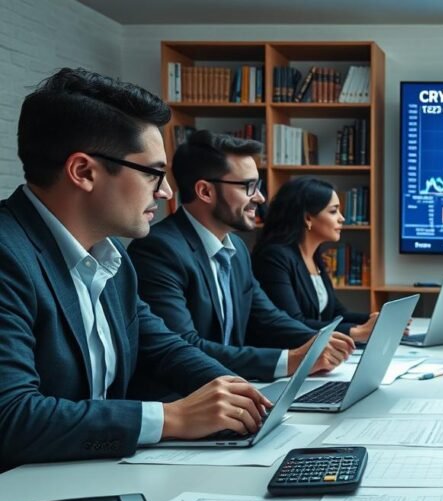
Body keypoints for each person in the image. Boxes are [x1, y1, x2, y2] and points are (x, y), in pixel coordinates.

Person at [0, 68, 272, 470]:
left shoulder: (113, 257)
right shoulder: (9, 255)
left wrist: (243, 398)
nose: (165, 192)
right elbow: (12, 417)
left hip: (90, 475)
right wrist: (173, 418)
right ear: (84, 172)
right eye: (153, 174)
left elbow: (163, 347)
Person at [128, 131, 354, 381]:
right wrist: (289, 360)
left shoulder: (236, 248)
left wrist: (321, 342)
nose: (260, 197)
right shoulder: (159, 250)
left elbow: (268, 318)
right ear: (205, 191)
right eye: (249, 186)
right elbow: (185, 346)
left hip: (237, 390)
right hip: (183, 401)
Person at [252, 177, 376, 342]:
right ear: (307, 218)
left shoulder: (314, 256)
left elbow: (335, 313)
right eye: (333, 211)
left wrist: (374, 320)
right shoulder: (273, 257)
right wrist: (356, 332)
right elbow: (293, 323)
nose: (342, 218)